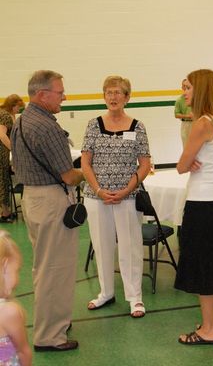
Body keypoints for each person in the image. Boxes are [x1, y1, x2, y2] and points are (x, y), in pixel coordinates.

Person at [10, 70, 84, 351]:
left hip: (32, 198)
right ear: (42, 94)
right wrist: (87, 172)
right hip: (51, 201)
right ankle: (50, 335)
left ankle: (54, 321)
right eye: (60, 92)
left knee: (44, 265)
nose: (64, 96)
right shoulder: (47, 127)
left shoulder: (22, 121)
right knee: (56, 268)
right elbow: (67, 175)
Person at [81, 75, 151, 318]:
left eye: (118, 92)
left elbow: (144, 164)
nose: (112, 97)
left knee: (130, 247)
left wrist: (126, 190)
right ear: (104, 96)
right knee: (102, 245)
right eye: (109, 92)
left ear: (127, 97)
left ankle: (135, 297)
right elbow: (85, 163)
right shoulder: (93, 125)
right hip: (96, 196)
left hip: (128, 197)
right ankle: (106, 292)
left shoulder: (138, 126)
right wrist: (100, 190)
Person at [174, 69, 213, 345]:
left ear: (201, 90)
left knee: (204, 265)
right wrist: (192, 158)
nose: (185, 93)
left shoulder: (202, 123)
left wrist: (188, 160)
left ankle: (208, 329)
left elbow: (181, 166)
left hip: (203, 203)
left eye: (188, 88)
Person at [0, 230, 38, 366]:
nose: (17, 278)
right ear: (4, 266)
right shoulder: (9, 312)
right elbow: (23, 351)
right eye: (16, 271)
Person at [0, 94, 25, 223]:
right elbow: (2, 135)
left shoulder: (9, 115)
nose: (19, 110)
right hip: (2, 153)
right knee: (3, 182)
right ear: (13, 105)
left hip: (5, 152)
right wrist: (13, 149)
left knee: (4, 181)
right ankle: (5, 214)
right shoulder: (4, 115)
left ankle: (6, 211)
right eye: (18, 107)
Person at [174, 79, 193, 147]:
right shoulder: (179, 100)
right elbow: (176, 114)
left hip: (196, 122)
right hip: (186, 124)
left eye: (188, 86)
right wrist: (188, 116)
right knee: (186, 145)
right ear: (182, 87)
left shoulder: (196, 98)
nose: (185, 87)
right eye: (184, 86)